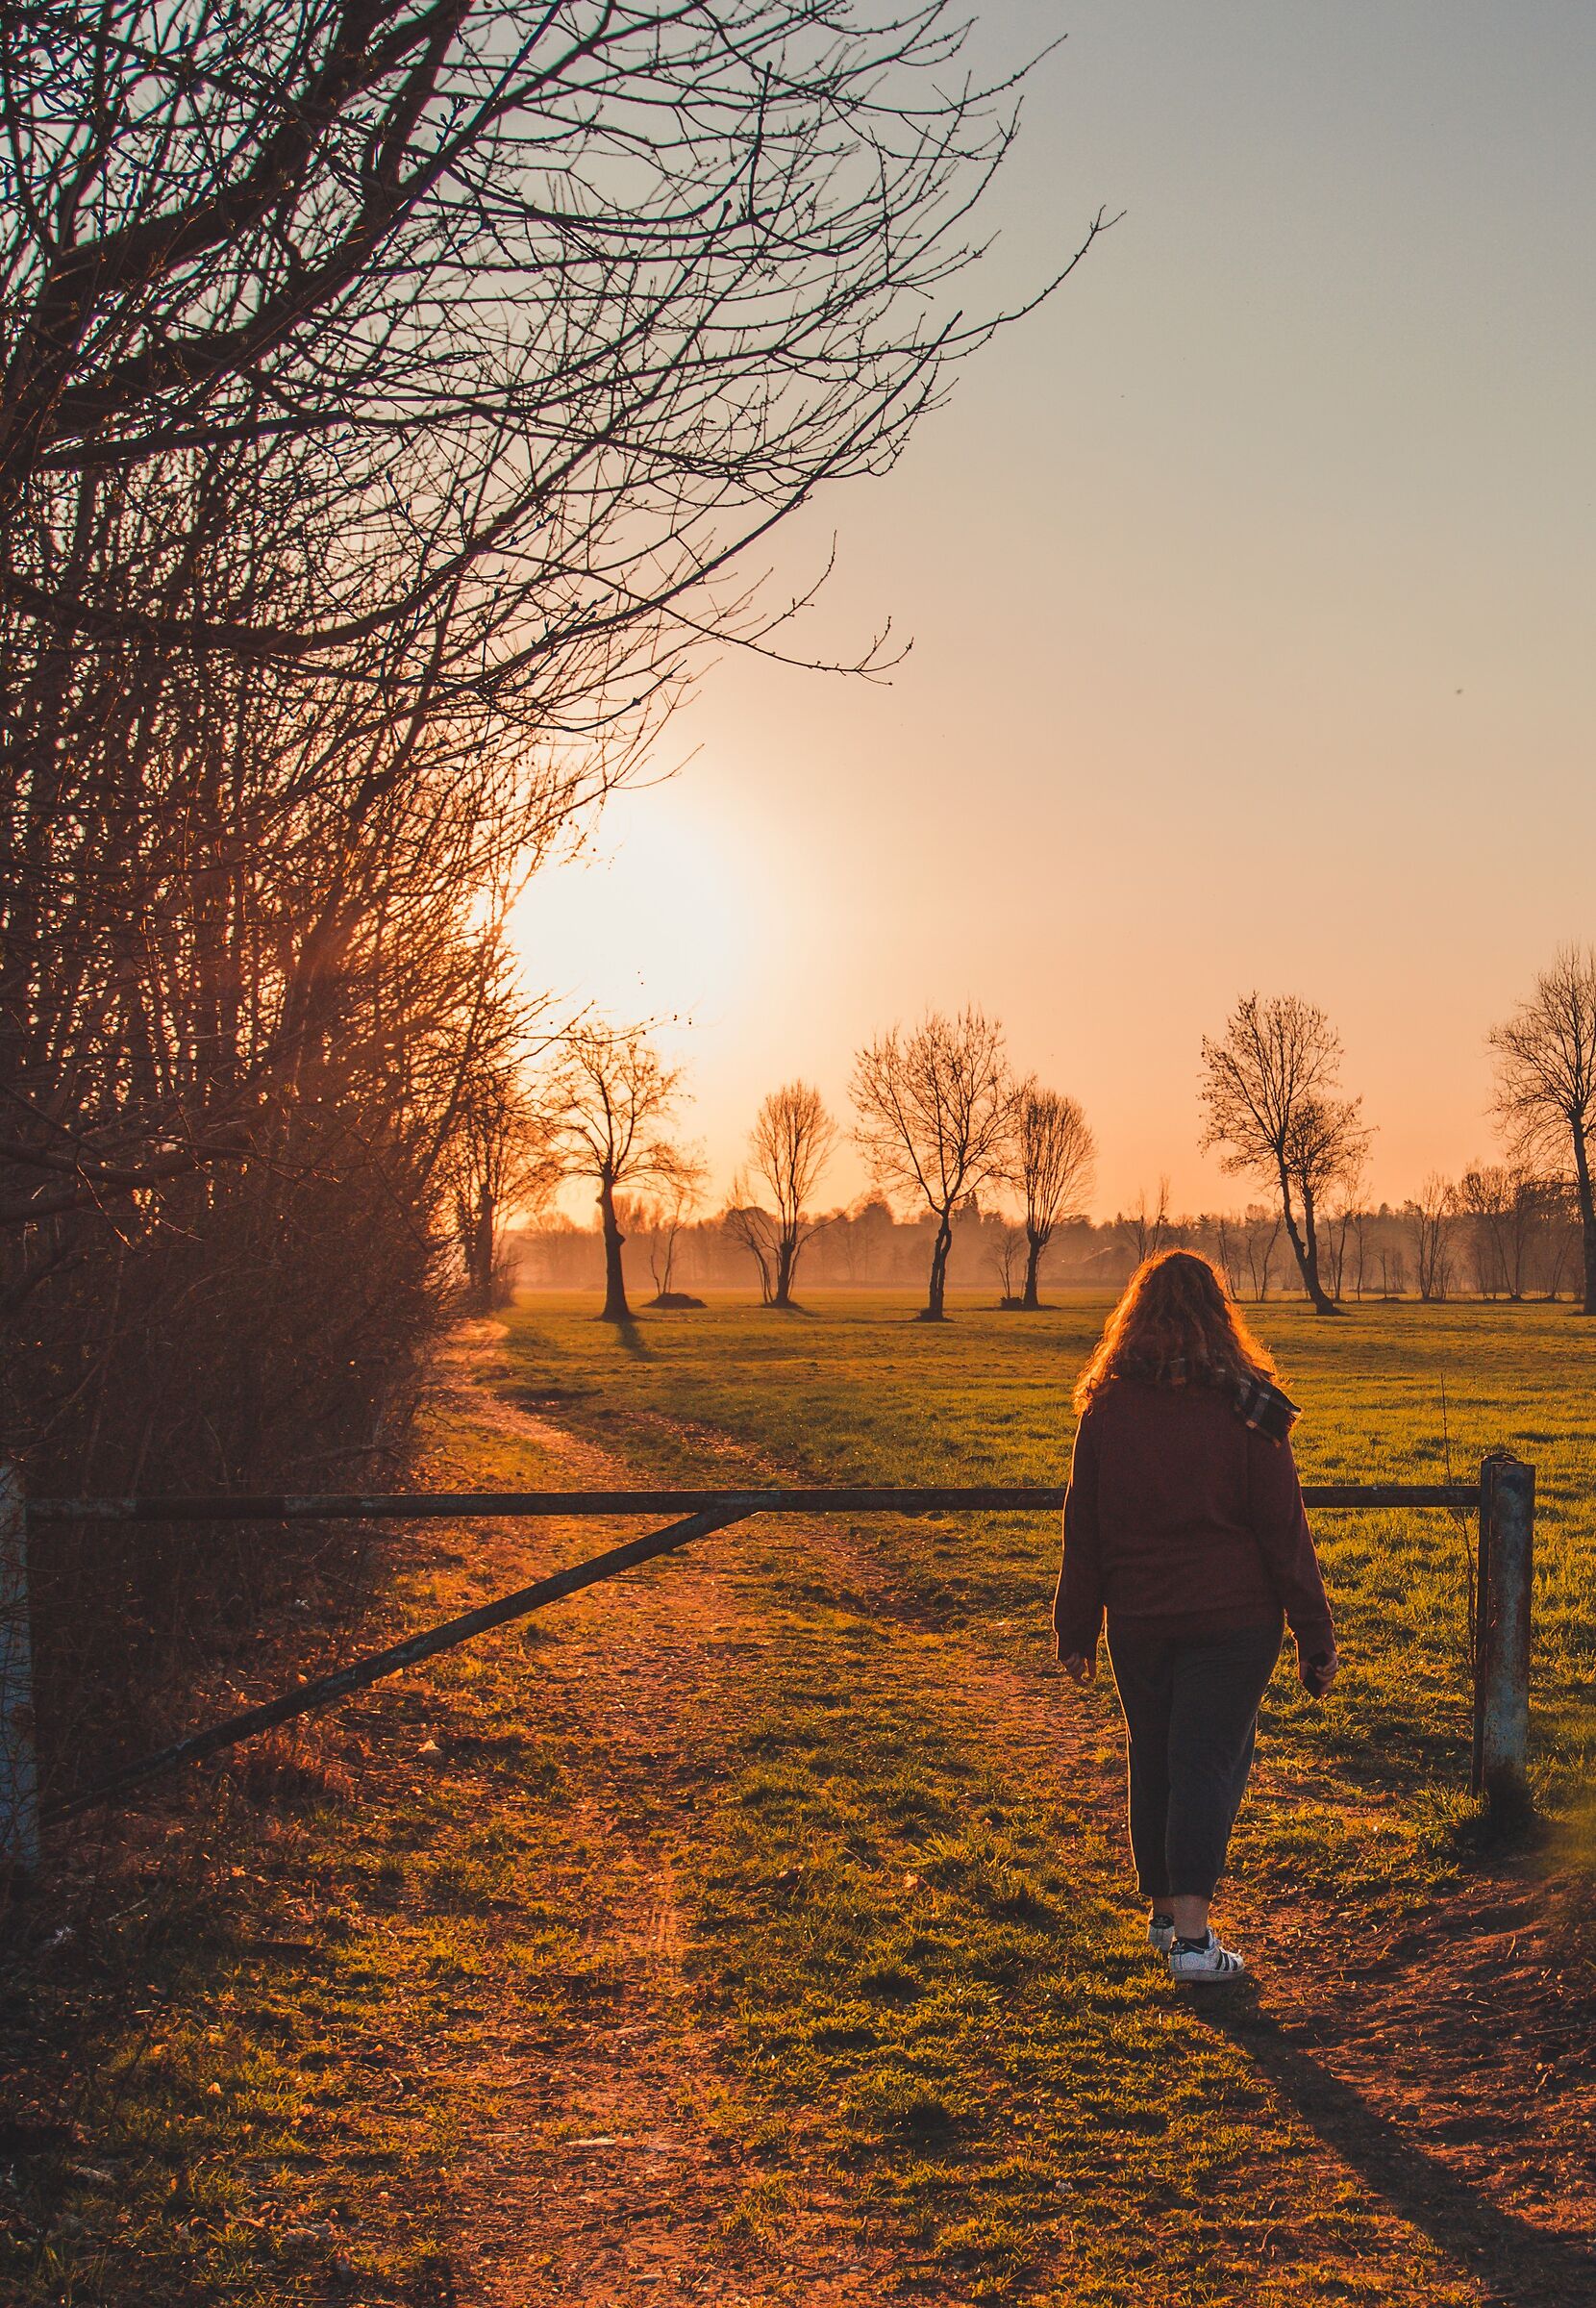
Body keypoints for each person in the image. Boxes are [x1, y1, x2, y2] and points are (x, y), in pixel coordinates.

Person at [1053, 1249, 1338, 1982]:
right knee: (1206, 1764)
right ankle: (1192, 1942)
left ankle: (1161, 1918)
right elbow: (1285, 1528)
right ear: (1221, 1314)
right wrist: (1315, 1633)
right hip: (1233, 1622)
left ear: (1134, 1315)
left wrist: (1076, 1625)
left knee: (1155, 1757)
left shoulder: (1108, 1405)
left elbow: (1083, 1524)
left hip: (1140, 1618)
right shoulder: (1248, 1403)